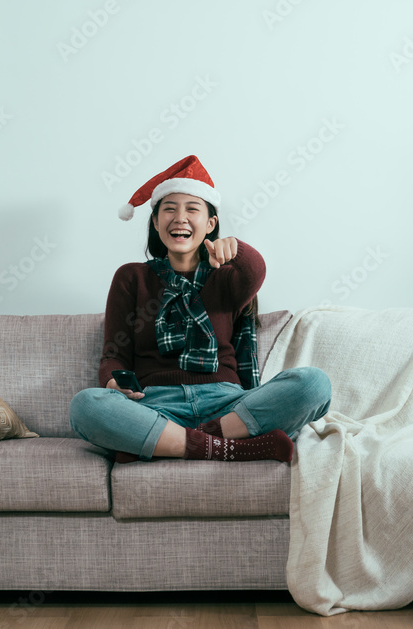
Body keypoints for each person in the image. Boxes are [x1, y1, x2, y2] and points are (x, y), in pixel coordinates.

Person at [69, 155, 331, 462]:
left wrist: (236, 248)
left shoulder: (227, 277)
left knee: (314, 383)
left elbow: (254, 272)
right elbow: (114, 352)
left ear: (210, 224)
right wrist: (114, 381)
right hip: (156, 406)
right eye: (169, 209)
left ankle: (162, 443)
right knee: (86, 405)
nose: (180, 218)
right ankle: (228, 445)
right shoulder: (132, 277)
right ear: (155, 222)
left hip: (228, 404)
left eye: (192, 209)